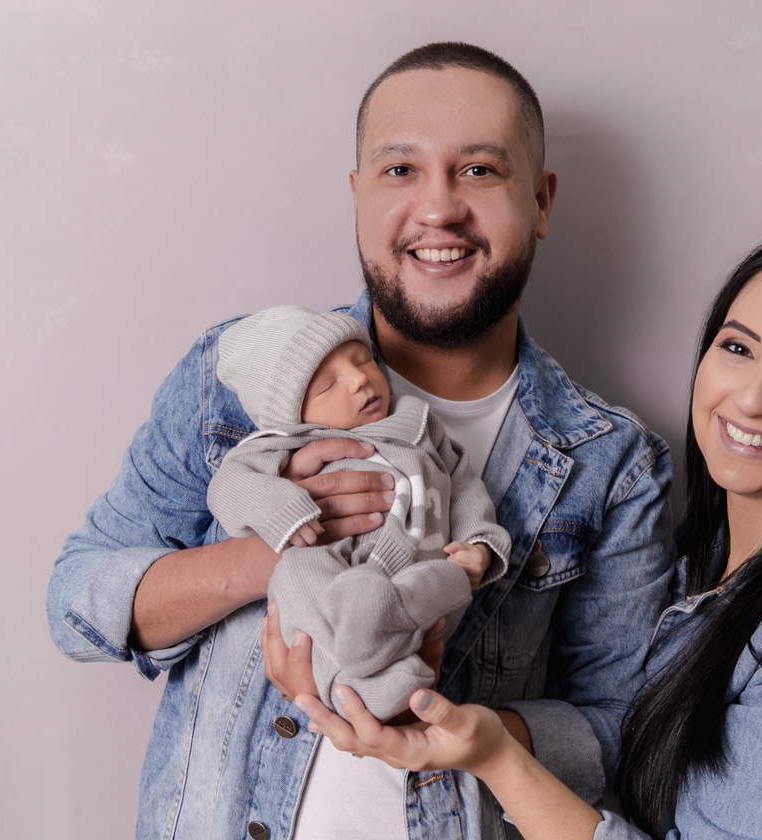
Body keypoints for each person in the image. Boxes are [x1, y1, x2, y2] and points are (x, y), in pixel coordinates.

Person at [45, 42, 674, 840]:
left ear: (542, 202)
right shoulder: (236, 380)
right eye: (400, 170)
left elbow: (622, 732)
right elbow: (76, 600)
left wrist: (465, 732)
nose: (438, 208)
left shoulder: (612, 464)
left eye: (479, 170)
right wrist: (264, 559)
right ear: (356, 197)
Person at [283, 226, 762, 839]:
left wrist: (496, 759)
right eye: (738, 348)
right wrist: (466, 726)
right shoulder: (708, 561)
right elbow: (625, 734)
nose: (753, 397)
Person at [208, 304, 512, 720]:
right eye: (328, 385)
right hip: (338, 577)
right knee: (295, 573)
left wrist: (481, 545)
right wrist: (284, 508)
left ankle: (382, 643)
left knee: (448, 577)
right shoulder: (284, 446)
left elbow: (462, 484)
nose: (358, 379)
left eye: (363, 360)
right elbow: (228, 488)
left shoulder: (417, 424)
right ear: (292, 417)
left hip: (414, 580)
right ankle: (372, 686)